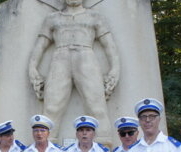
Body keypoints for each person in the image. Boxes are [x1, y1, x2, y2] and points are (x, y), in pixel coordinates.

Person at [28, 0, 120, 143]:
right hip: (60, 59)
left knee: (97, 108)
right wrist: (32, 68)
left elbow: (109, 46)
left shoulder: (95, 16)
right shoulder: (52, 18)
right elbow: (40, 45)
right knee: (51, 109)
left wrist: (115, 69)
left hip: (86, 59)